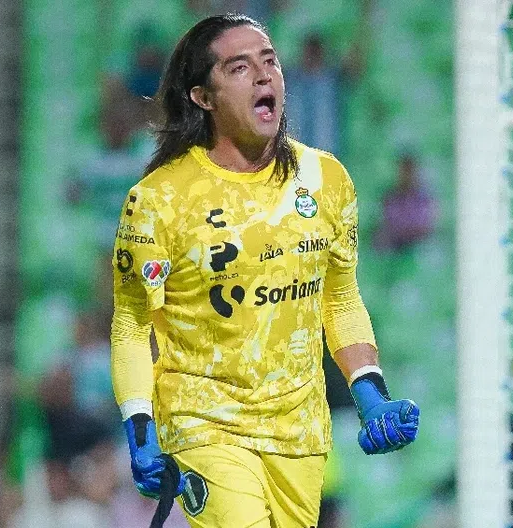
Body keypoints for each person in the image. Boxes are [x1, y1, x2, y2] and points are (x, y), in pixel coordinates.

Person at [109, 14, 419, 528]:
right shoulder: (159, 200)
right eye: (239, 67)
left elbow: (339, 298)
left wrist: (370, 393)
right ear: (202, 97)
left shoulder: (326, 179)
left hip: (301, 432)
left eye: (270, 61)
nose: (262, 75)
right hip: (205, 424)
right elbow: (131, 326)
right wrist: (139, 428)